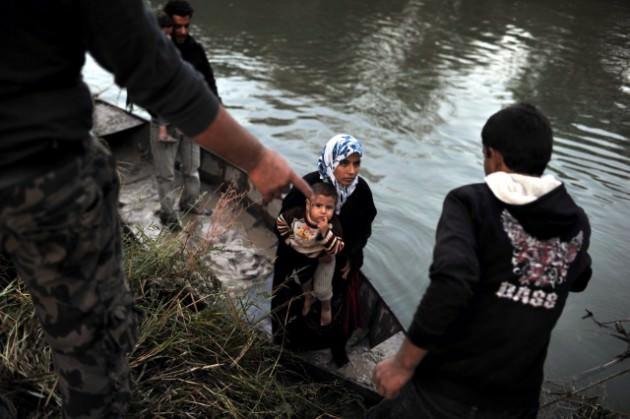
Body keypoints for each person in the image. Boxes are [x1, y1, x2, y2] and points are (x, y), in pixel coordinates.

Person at [0, 0, 310, 417]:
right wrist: (257, 159)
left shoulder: (194, 48)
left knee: (189, 175)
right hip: (41, 179)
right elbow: (153, 71)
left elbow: (191, 80)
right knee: (92, 346)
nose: (180, 31)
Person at [370, 103, 592, 418]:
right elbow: (581, 276)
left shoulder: (470, 203)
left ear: (494, 156)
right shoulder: (576, 223)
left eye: (485, 155)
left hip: (446, 393)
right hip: (516, 402)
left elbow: (453, 282)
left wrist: (401, 363)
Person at [272, 133, 377, 366]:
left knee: (331, 307)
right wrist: (299, 251)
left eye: (356, 163)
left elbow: (363, 231)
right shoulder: (307, 186)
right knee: (290, 306)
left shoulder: (361, 193)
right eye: (344, 163)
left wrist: (351, 256)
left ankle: (335, 354)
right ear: (331, 161)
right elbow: (282, 223)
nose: (351, 171)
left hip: (335, 258)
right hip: (296, 257)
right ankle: (282, 352)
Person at [275, 182, 345, 326]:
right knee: (302, 280)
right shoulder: (297, 215)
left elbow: (337, 249)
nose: (323, 211)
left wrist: (325, 232)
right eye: (318, 206)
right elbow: (280, 222)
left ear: (334, 209)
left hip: (324, 258)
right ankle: (308, 298)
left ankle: (326, 307)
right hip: (302, 255)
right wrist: (289, 239)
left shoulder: (333, 225)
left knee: (322, 288)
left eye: (329, 207)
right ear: (308, 205)